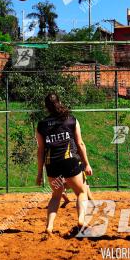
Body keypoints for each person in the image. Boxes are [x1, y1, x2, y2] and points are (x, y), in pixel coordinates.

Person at [36, 93, 93, 237]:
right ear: (59, 102)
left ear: (46, 107)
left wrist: (39, 173)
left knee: (55, 196)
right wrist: (87, 164)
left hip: (52, 165)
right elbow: (80, 144)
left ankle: (49, 227)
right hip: (70, 162)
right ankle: (81, 220)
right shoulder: (71, 120)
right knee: (81, 192)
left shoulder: (41, 125)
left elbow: (41, 150)